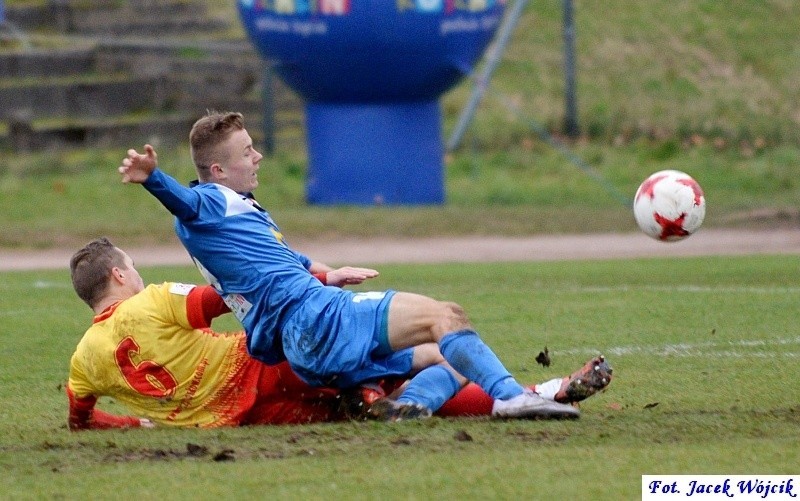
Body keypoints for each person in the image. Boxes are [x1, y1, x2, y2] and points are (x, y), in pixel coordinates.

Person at [118, 110, 586, 420]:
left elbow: (290, 263)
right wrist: (153, 178)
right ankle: (513, 399)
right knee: (447, 316)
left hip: (305, 339)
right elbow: (184, 203)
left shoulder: (239, 215)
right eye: (247, 152)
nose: (257, 156)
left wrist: (330, 273)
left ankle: (409, 407)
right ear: (218, 170)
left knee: (448, 356)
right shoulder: (208, 201)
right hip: (319, 319)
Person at [67, 238, 613, 430]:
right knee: (429, 354)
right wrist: (322, 276)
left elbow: (80, 419)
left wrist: (136, 420)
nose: (135, 274)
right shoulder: (150, 301)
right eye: (131, 267)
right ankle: (532, 394)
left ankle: (541, 394)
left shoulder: (84, 360)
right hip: (266, 369)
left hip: (251, 418)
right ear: (119, 276)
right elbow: (238, 294)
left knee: (377, 398)